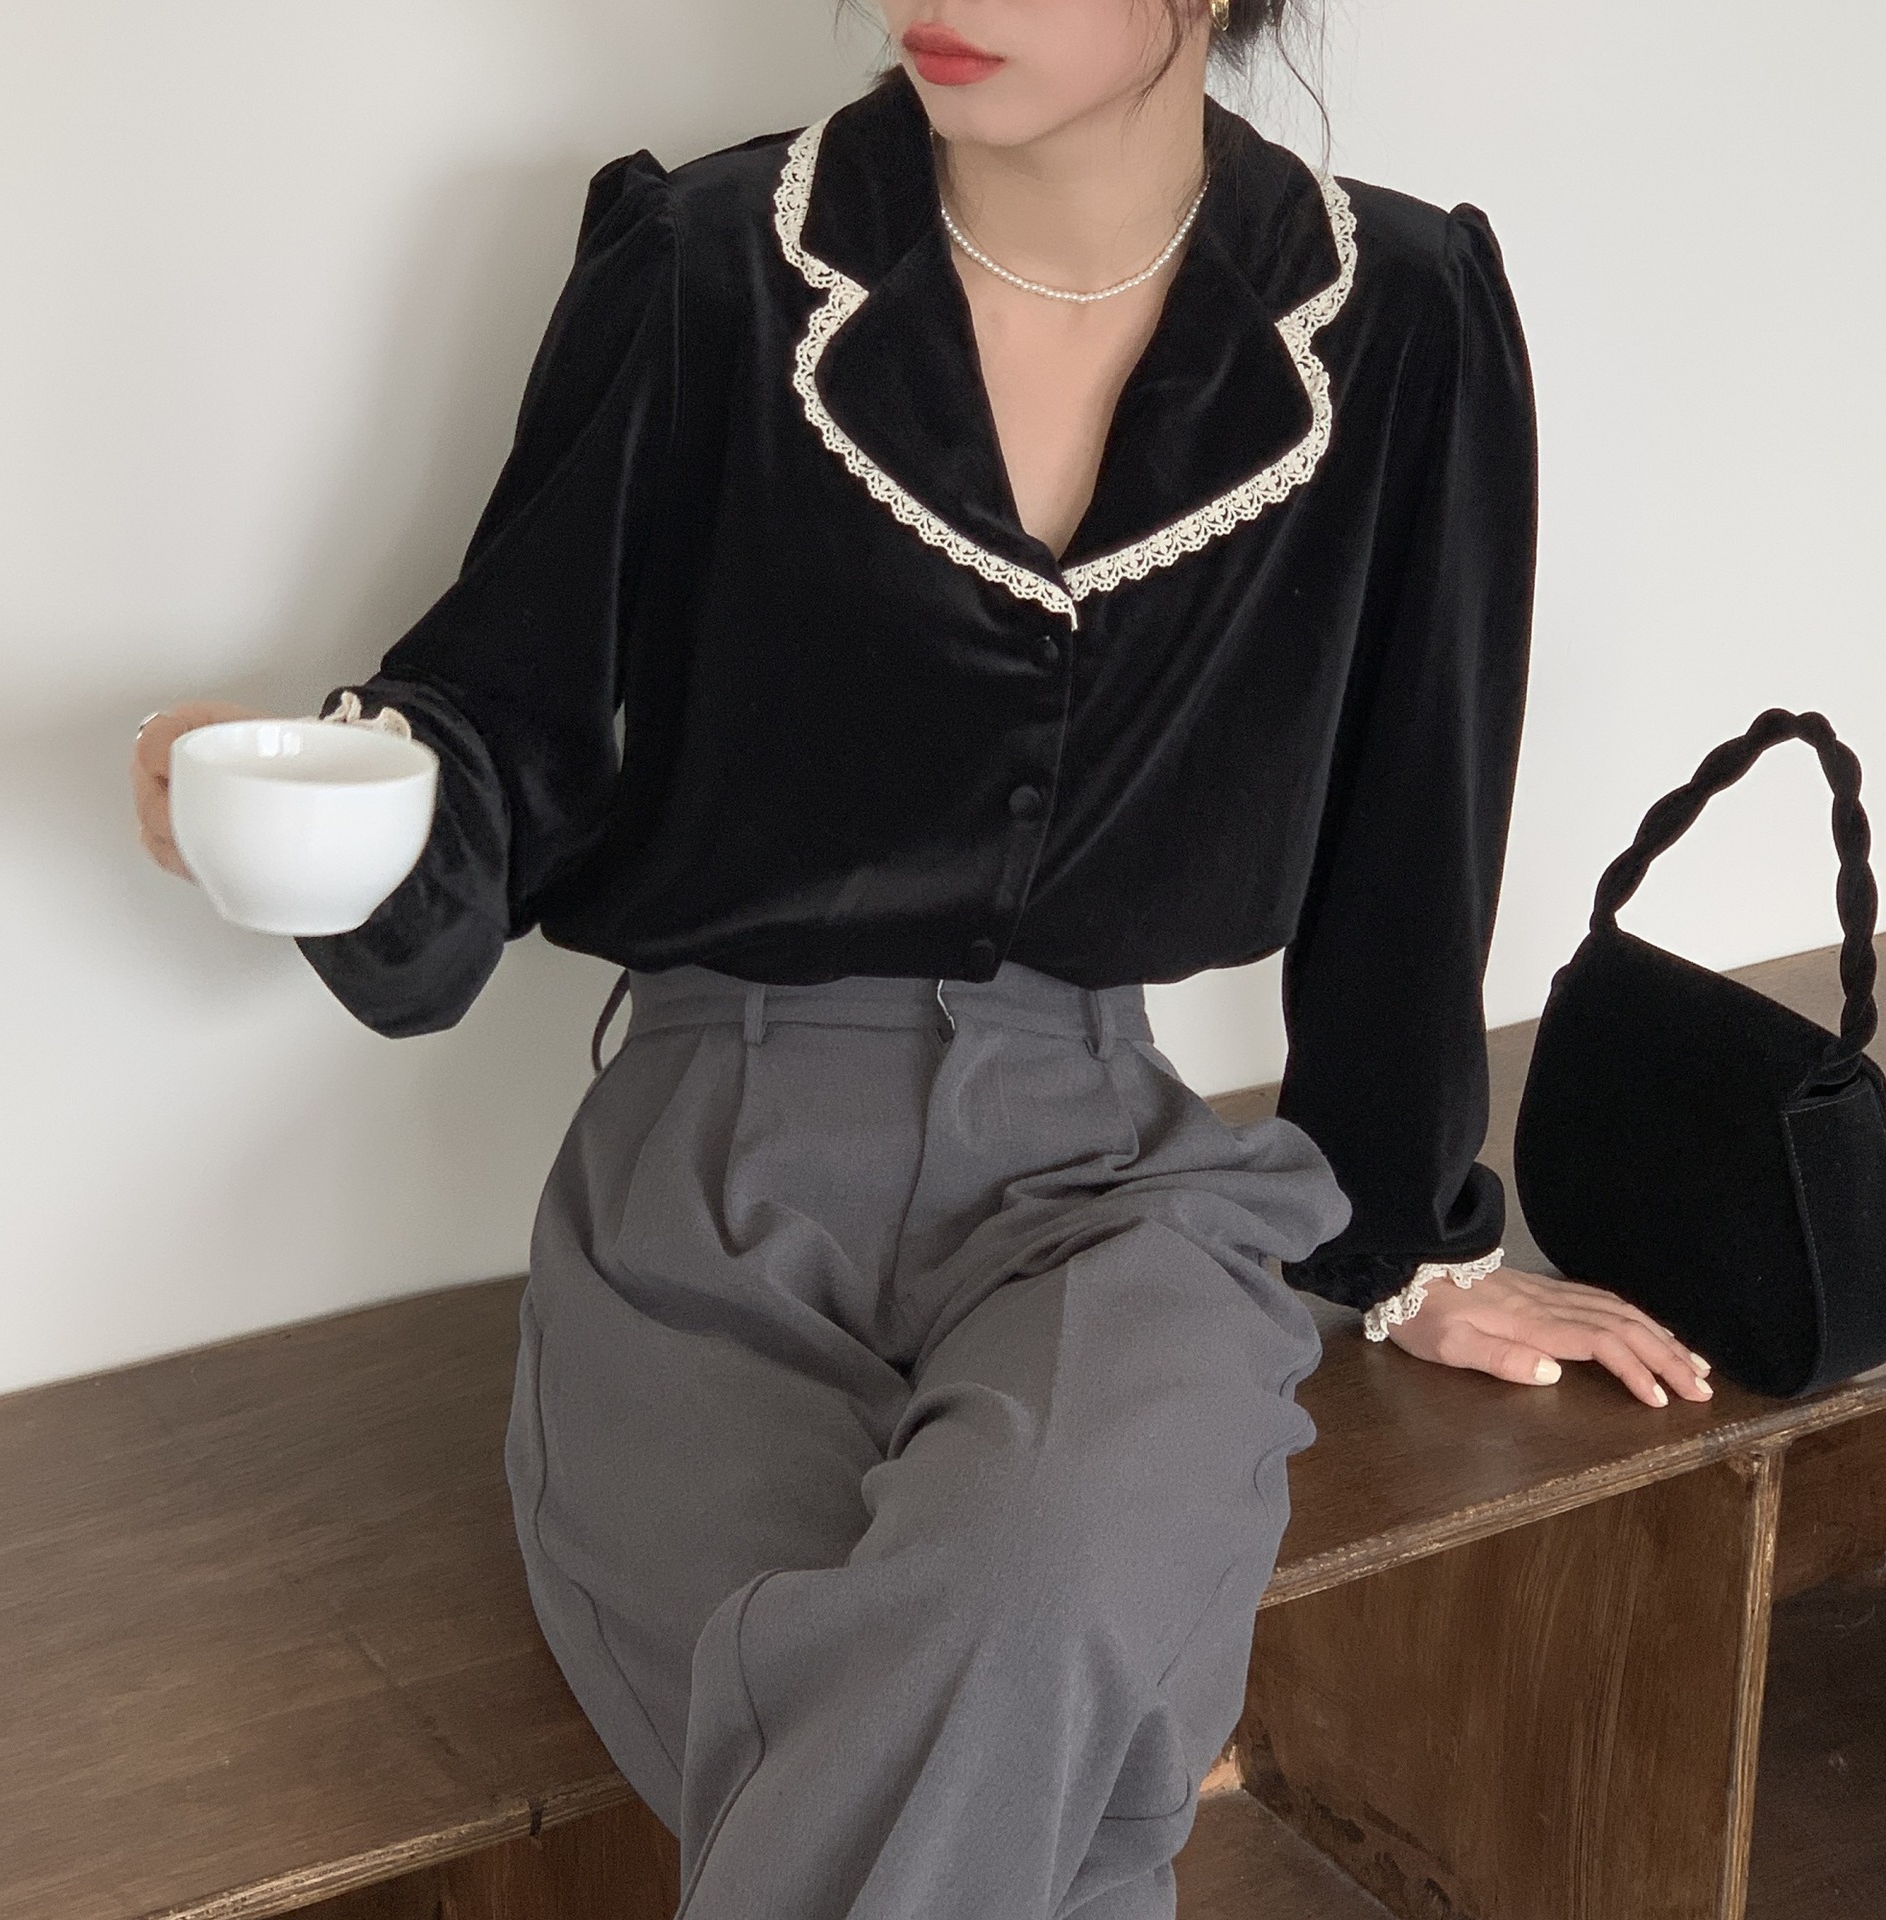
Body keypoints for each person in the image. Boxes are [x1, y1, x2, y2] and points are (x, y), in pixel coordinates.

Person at [131, 4, 1717, 1913]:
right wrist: (332, 809)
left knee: (1015, 1617)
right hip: (709, 1194)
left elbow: (1418, 804)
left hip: (1118, 1191)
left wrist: (1407, 1232)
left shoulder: (1400, 315)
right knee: (996, 1773)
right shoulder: (710, 265)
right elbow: (503, 725)